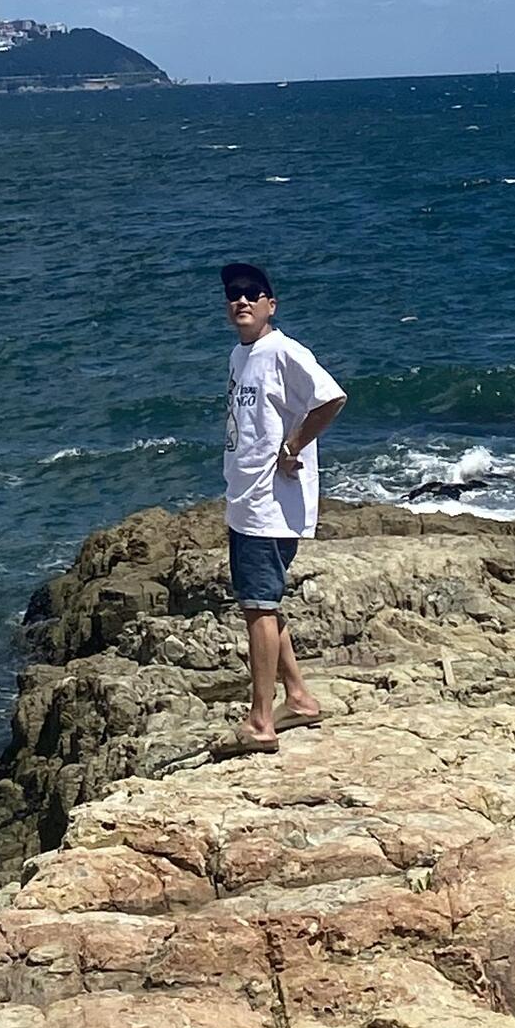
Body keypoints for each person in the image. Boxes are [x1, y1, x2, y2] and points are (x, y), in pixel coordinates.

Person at [217, 259, 346, 755]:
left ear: (271, 304)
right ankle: (299, 698)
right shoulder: (240, 355)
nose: (241, 300)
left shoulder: (283, 351)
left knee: (258, 608)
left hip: (270, 504)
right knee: (262, 603)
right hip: (245, 499)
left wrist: (293, 446)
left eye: (252, 293)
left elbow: (331, 398)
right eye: (234, 293)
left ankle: (261, 721)